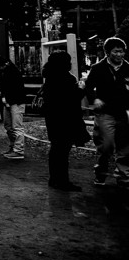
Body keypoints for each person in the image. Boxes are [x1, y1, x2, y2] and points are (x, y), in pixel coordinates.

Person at [40, 50, 90, 191]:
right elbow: (71, 99)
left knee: (56, 149)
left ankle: (54, 179)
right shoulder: (66, 78)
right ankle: (62, 181)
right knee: (63, 151)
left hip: (53, 118)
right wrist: (81, 88)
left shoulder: (50, 76)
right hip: (66, 119)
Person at [84, 36, 129, 187]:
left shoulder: (128, 67)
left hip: (124, 112)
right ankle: (101, 172)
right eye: (116, 51)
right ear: (108, 52)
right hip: (105, 113)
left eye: (122, 52)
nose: (119, 55)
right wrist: (94, 99)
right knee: (106, 145)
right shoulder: (98, 68)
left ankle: (124, 176)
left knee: (125, 146)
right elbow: (88, 86)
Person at [0, 54, 27, 160]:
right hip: (12, 101)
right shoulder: (9, 70)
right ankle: (15, 149)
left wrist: (0, 90)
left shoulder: (10, 72)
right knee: (10, 126)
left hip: (14, 101)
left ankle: (18, 150)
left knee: (15, 127)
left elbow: (10, 86)